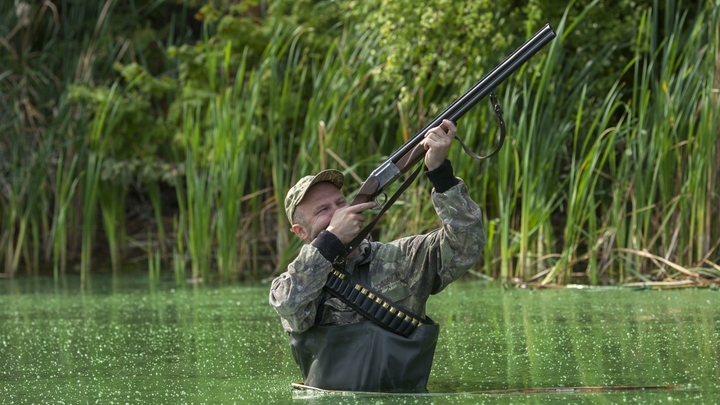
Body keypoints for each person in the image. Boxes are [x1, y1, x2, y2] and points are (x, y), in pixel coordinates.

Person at [269, 119, 485, 392]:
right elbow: (289, 304)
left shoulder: (402, 258)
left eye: (340, 203)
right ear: (300, 231)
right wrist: (331, 240)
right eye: (322, 210)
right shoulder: (292, 284)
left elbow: (467, 243)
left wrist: (440, 173)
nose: (337, 212)